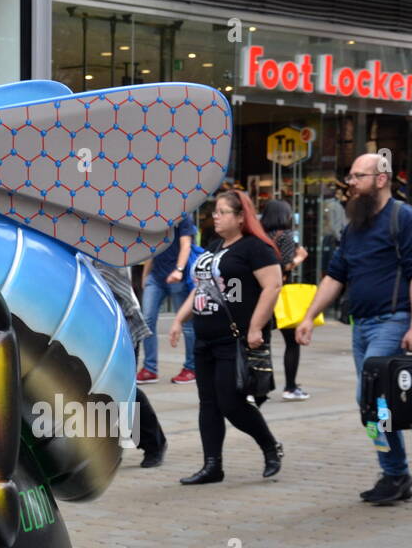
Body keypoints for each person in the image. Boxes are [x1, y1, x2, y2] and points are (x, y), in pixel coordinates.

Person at [292, 152, 412, 505]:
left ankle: (395, 471)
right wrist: (308, 317)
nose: (350, 183)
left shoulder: (405, 219)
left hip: (392, 322)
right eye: (350, 176)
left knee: (367, 397)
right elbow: (334, 276)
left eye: (358, 176)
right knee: (375, 404)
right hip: (361, 325)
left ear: (380, 179)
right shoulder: (355, 226)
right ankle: (395, 471)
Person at [169, 190, 283, 484]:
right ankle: (212, 465)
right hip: (205, 337)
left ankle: (270, 446)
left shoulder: (256, 248)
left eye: (222, 212)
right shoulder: (215, 245)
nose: (215, 217)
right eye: (215, 212)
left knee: (230, 402)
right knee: (208, 403)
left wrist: (256, 328)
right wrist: (180, 319)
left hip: (233, 338)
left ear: (240, 216)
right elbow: (204, 287)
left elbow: (273, 286)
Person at [92, 258, 167, 466]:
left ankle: (155, 443)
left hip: (120, 325)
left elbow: (112, 287)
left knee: (124, 390)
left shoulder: (105, 249)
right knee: (100, 391)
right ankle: (112, 450)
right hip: (94, 328)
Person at [259, 199, 310, 400]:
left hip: (262, 293)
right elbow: (284, 265)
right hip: (281, 295)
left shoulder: (260, 236)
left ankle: (258, 386)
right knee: (292, 342)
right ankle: (290, 387)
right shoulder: (286, 236)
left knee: (261, 341)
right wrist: (299, 259)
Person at [138, 214, 196, 384]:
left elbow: (186, 245)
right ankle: (149, 368)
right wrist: (145, 274)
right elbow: (152, 247)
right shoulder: (156, 214)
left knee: (186, 324)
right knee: (147, 319)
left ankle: (191, 368)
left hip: (177, 276)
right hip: (156, 277)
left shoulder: (183, 215)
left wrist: (179, 269)